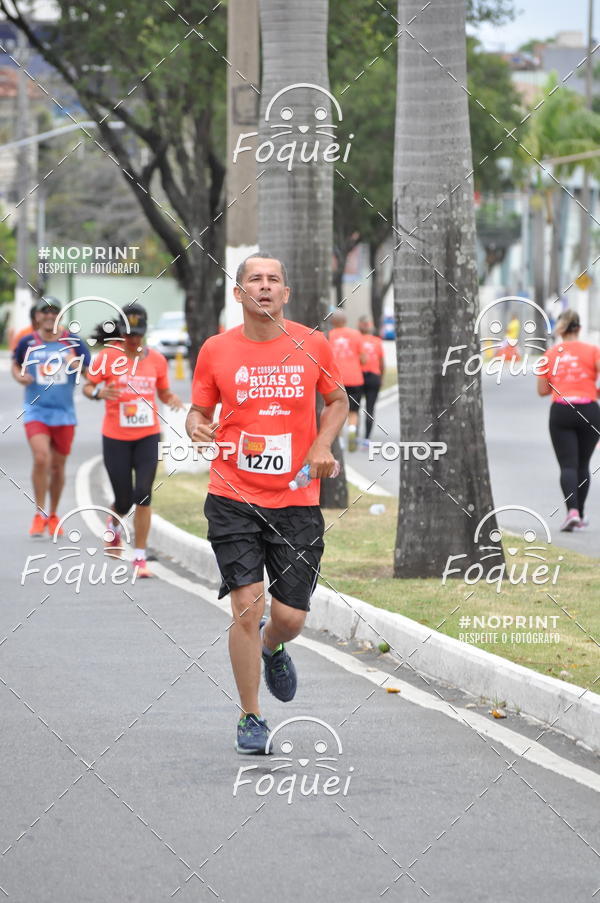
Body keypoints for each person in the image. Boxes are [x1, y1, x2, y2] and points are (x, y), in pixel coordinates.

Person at [186, 255, 347, 755]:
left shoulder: (311, 343)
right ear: (239, 293)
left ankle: (273, 644)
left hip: (297, 497)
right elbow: (198, 410)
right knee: (245, 607)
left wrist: (322, 446)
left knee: (291, 617)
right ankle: (250, 714)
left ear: (286, 293)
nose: (264, 286)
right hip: (232, 494)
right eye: (254, 279)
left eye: (273, 279)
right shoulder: (216, 350)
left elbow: (337, 400)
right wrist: (195, 426)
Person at [83, 303, 183, 575]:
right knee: (124, 500)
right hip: (116, 437)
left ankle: (140, 555)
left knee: (144, 495)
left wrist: (171, 398)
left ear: (145, 331)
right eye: (128, 333)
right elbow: (88, 386)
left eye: (137, 333)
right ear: (119, 331)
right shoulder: (106, 358)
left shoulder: (157, 360)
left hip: (148, 435)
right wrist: (98, 394)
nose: (133, 339)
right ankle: (114, 523)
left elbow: (163, 392)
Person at [11, 296, 91, 537]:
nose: (49, 315)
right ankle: (39, 513)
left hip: (64, 413)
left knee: (57, 468)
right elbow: (16, 364)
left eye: (54, 311)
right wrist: (19, 376)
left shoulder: (74, 342)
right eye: (44, 311)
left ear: (60, 315)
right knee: (41, 458)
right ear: (36, 317)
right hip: (36, 410)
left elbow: (91, 373)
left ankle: (53, 514)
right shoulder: (28, 342)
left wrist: (75, 364)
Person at [537, 309, 600, 531]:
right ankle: (580, 516)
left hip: (562, 411)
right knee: (583, 464)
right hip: (590, 411)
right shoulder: (593, 351)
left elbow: (543, 390)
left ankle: (571, 512)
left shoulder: (550, 355)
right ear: (579, 329)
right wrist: (592, 390)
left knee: (567, 465)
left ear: (561, 330)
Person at [327, 311, 365, 451]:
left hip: (335, 380)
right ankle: (352, 429)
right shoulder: (356, 335)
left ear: (332, 322)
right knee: (353, 411)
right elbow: (363, 358)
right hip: (355, 379)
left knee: (337, 410)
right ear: (345, 320)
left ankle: (341, 440)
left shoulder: (328, 335)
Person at [358, 315, 385, 442]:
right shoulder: (377, 341)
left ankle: (355, 432)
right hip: (374, 376)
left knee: (354, 407)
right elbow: (381, 362)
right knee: (370, 407)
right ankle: (367, 438)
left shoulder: (356, 340)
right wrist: (382, 376)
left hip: (359, 376)